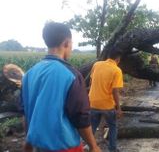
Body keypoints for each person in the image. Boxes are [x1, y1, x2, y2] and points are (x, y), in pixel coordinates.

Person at [20, 22, 100, 152]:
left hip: (38, 146)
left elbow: (26, 113)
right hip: (65, 147)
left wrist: (28, 141)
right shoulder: (71, 75)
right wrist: (93, 146)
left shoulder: (29, 74)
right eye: (71, 45)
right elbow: (81, 117)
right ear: (66, 43)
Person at [88, 48, 124, 152]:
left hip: (93, 102)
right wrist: (118, 108)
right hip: (107, 105)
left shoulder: (97, 64)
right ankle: (112, 149)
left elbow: (91, 82)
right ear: (118, 59)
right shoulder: (117, 70)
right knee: (112, 127)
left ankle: (89, 147)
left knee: (92, 127)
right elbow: (115, 91)